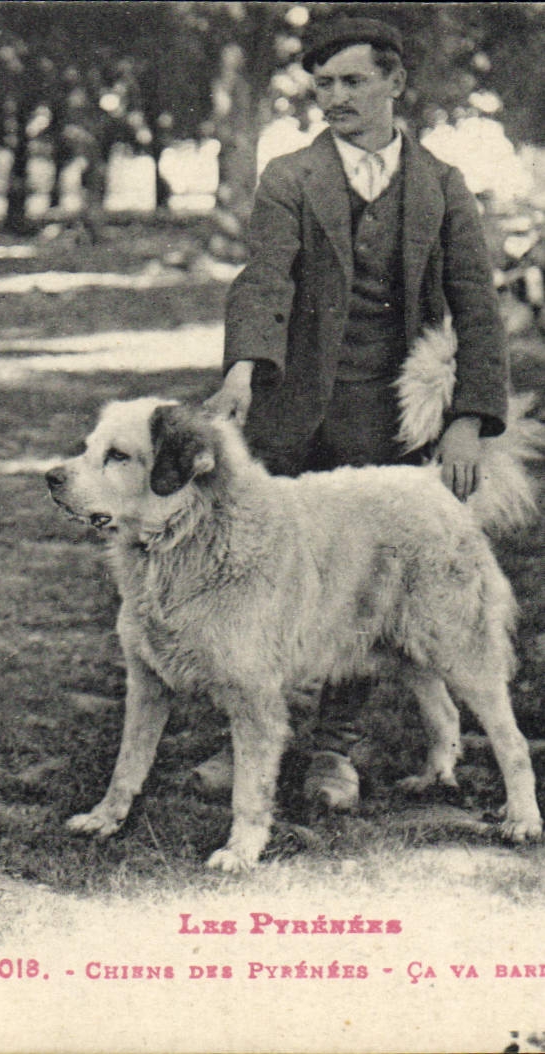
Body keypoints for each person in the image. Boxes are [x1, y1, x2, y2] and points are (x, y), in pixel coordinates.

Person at [202, 16, 510, 810]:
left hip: (391, 423)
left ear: (394, 83)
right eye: (324, 84)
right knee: (256, 575)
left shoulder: (441, 184)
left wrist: (470, 417)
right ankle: (244, 734)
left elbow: (476, 305)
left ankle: (333, 754)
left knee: (365, 591)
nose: (334, 98)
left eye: (352, 81)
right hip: (292, 407)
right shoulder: (289, 176)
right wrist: (241, 372)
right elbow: (265, 278)